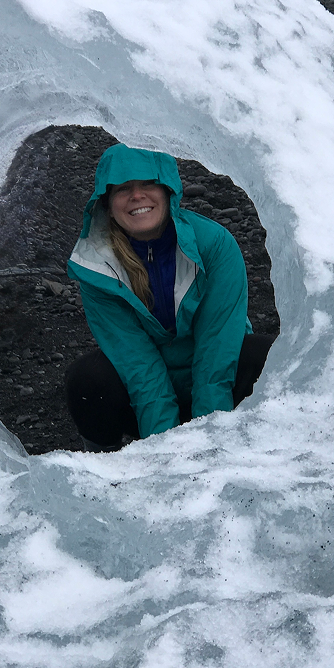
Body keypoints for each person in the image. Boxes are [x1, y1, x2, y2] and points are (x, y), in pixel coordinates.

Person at [65, 144, 274, 449]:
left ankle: (262, 451)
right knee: (87, 380)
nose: (137, 196)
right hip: (148, 394)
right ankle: (105, 479)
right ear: (107, 203)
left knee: (267, 356)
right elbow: (138, 364)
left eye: (148, 183)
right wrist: (165, 455)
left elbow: (217, 350)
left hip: (220, 382)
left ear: (168, 192)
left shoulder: (214, 246)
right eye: (123, 188)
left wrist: (210, 445)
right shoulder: (97, 267)